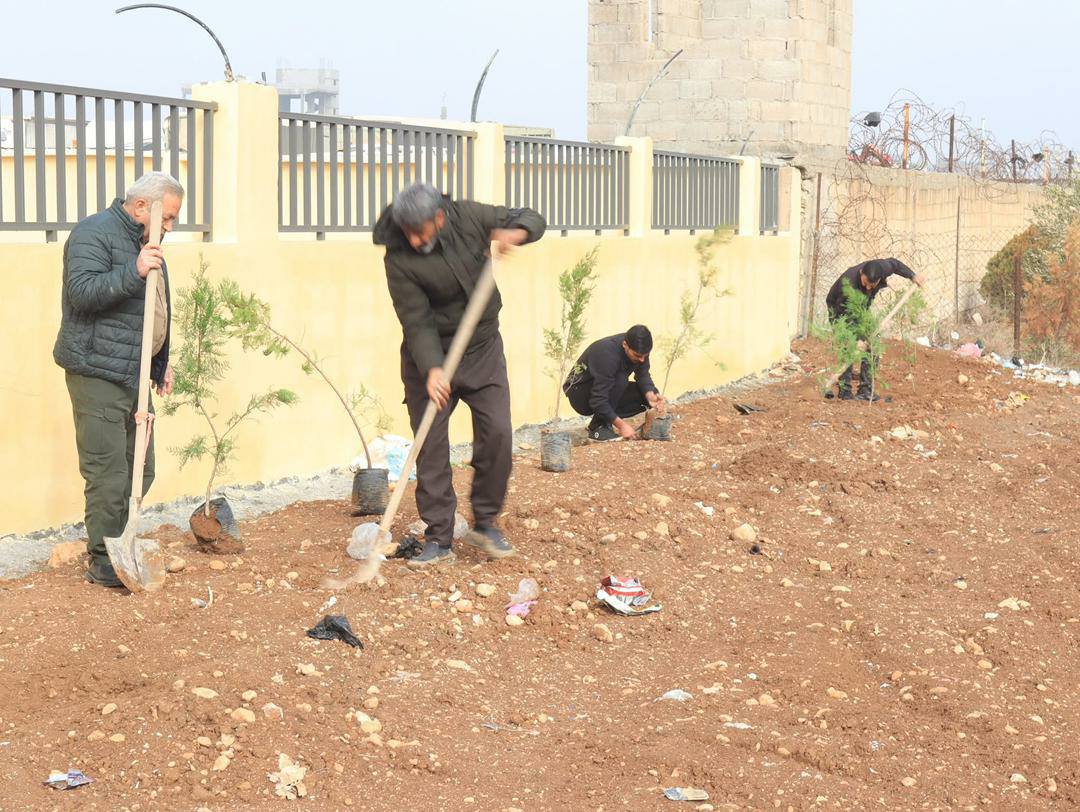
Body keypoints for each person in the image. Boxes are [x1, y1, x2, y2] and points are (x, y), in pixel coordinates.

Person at [373, 184, 546, 568]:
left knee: (497, 432)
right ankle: (438, 539)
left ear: (439, 218)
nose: (414, 240)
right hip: (429, 357)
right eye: (407, 233)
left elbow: (531, 217)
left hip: (482, 349)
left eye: (419, 231)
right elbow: (415, 319)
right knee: (431, 447)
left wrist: (515, 233)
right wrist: (433, 368)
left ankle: (485, 523)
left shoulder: (468, 216)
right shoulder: (397, 257)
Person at [53, 172, 183, 587]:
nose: (170, 227)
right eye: (168, 217)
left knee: (141, 467)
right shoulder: (94, 233)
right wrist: (135, 269)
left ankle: (121, 544)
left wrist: (160, 363)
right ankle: (104, 560)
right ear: (142, 206)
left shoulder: (145, 242)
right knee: (108, 472)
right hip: (97, 371)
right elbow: (82, 293)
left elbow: (152, 308)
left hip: (133, 373)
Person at [825, 257, 926, 401]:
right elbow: (845, 316)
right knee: (848, 346)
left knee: (873, 344)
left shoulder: (883, 267)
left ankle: (865, 391)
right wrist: (856, 339)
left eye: (871, 285)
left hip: (861, 309)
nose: (868, 288)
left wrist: (912, 276)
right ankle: (845, 390)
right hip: (839, 311)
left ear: (879, 279)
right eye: (865, 283)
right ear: (861, 273)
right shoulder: (848, 286)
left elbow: (895, 264)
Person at [563, 325, 667, 441]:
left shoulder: (639, 349)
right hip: (580, 393)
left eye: (645, 356)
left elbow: (642, 374)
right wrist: (621, 425)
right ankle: (598, 427)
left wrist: (650, 395)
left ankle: (605, 422)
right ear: (625, 345)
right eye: (638, 356)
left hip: (604, 388)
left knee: (646, 393)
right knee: (620, 379)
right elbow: (598, 399)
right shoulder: (607, 354)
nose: (642, 360)